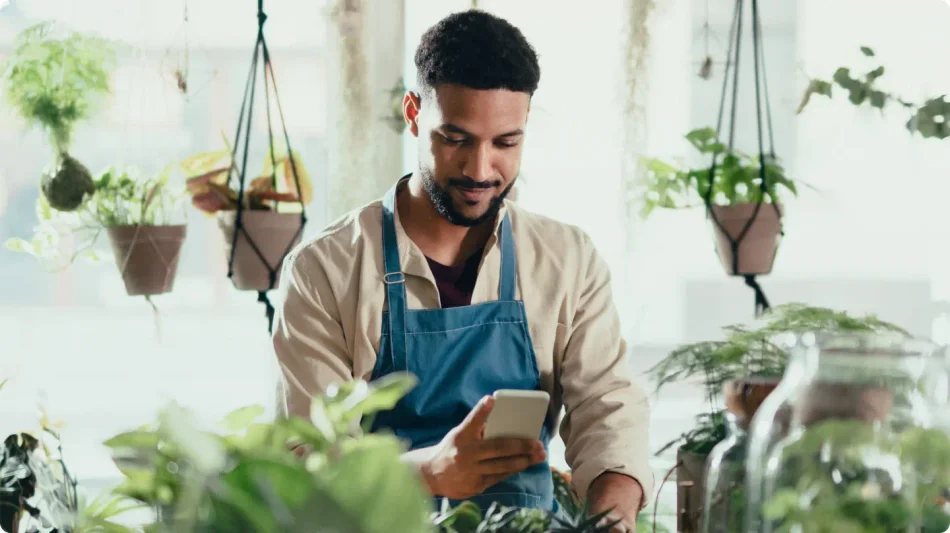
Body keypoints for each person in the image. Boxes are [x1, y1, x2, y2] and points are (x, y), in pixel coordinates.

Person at [272, 9, 652, 531]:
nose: (479, 170)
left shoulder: (567, 259)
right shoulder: (325, 270)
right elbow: (306, 460)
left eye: (505, 143)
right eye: (455, 139)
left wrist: (611, 518)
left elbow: (609, 415)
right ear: (413, 113)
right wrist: (426, 472)